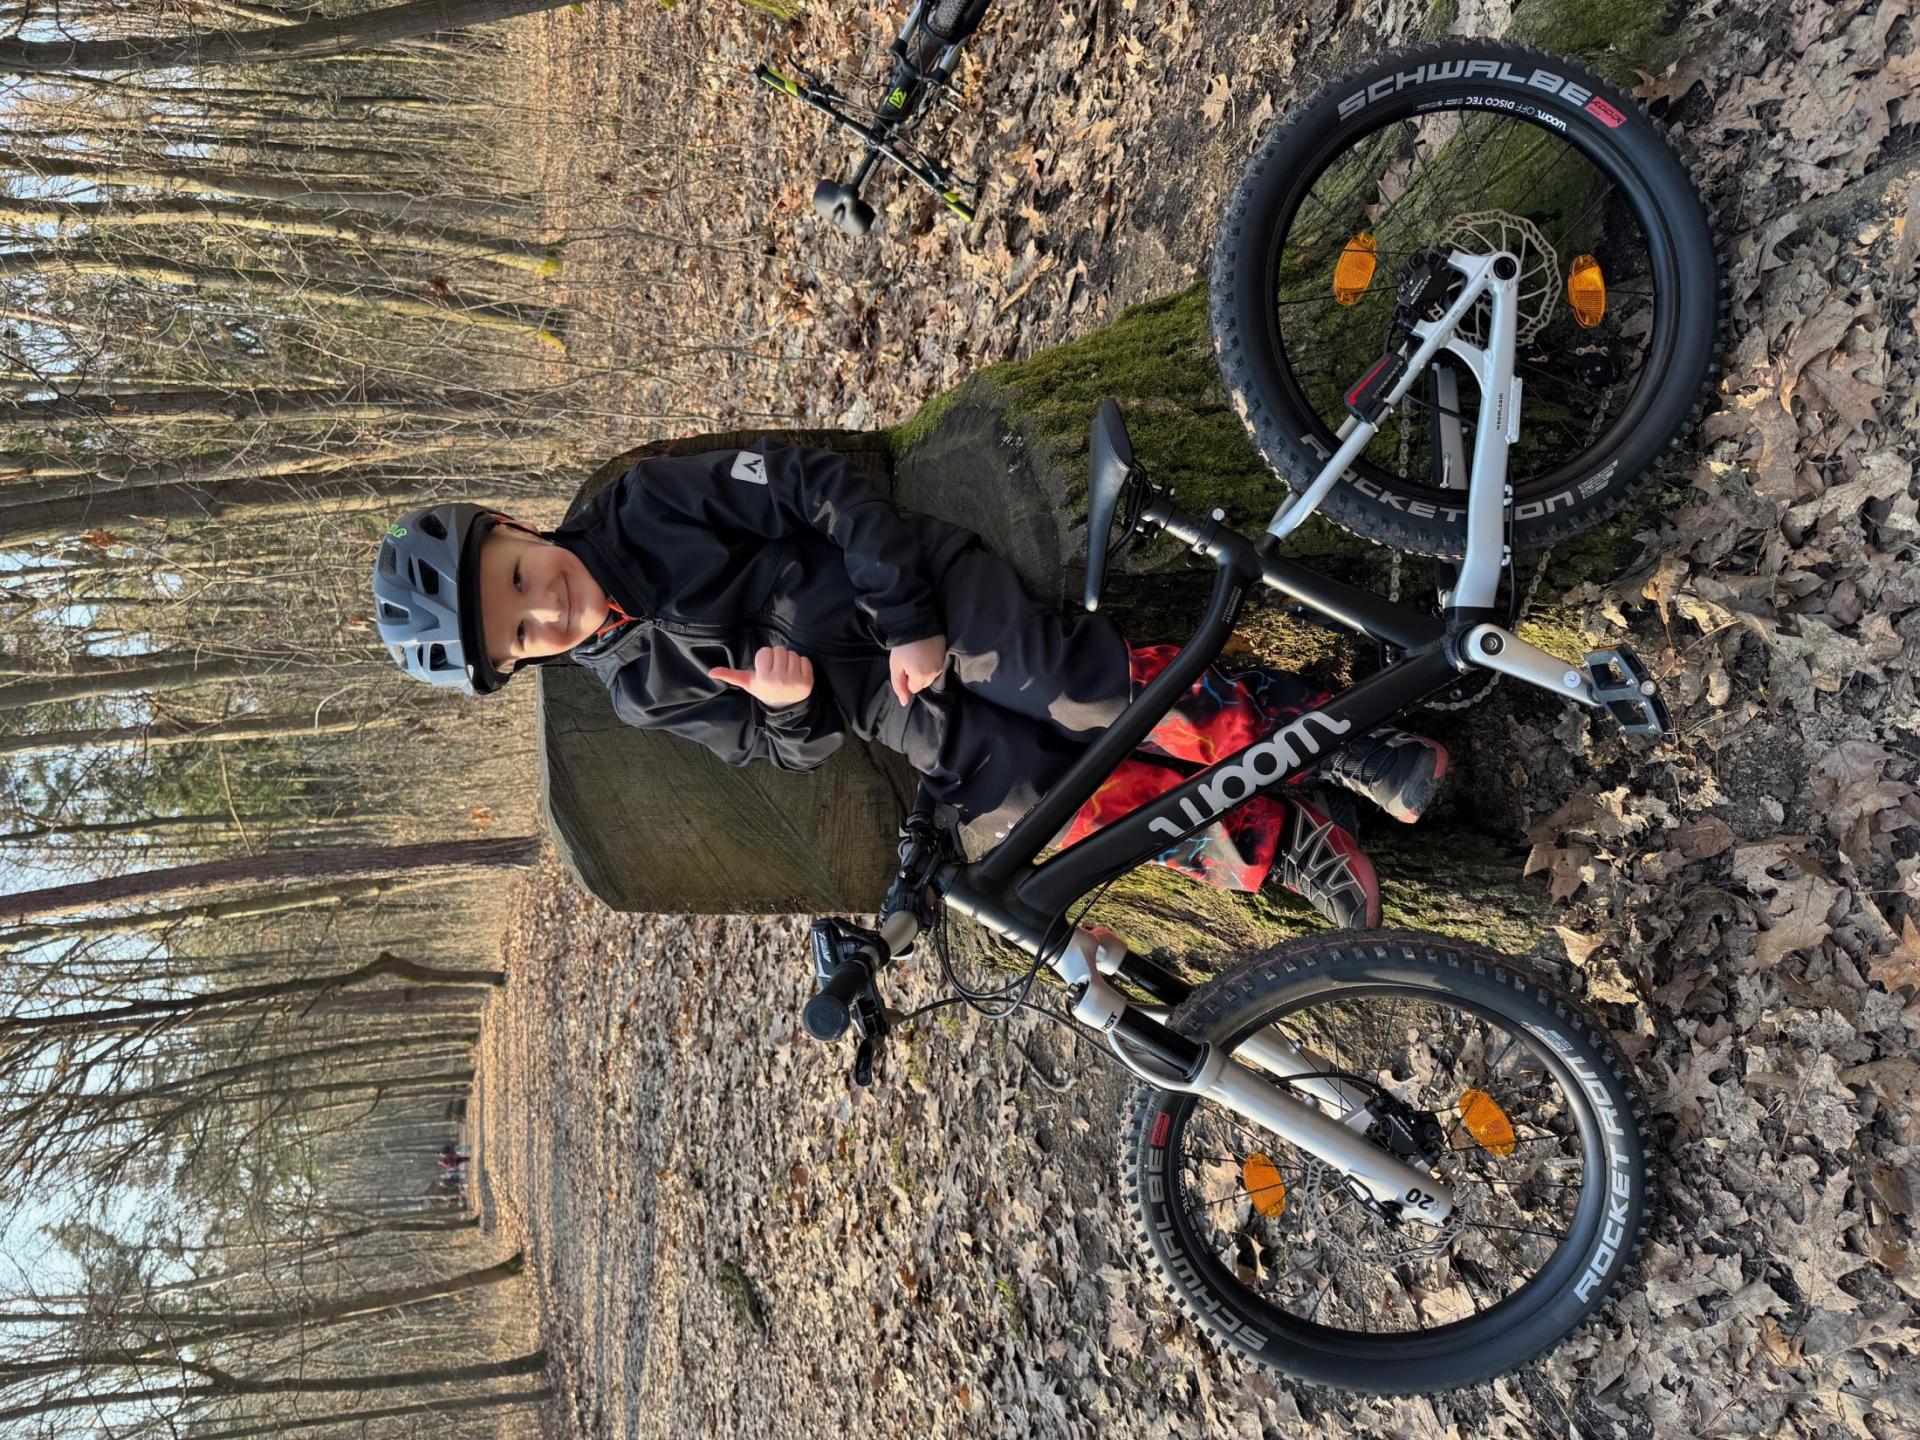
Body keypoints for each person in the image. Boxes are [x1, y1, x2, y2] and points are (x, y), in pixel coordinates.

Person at [371, 443, 1448, 927]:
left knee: (1073, 689)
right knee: (1038, 809)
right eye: (523, 634)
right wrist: (791, 707)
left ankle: (1335, 736)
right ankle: (1272, 836)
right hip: (893, 710)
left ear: (511, 527)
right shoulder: (640, 691)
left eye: (518, 579)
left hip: (921, 596)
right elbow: (778, 751)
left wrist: (908, 621)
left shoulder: (648, 504)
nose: (546, 607)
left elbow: (817, 487)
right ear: (525, 662)